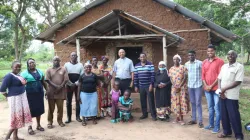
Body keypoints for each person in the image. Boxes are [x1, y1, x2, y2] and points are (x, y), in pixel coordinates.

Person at [0, 61, 32, 140]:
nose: (18, 68)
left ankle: (15, 137)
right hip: (15, 100)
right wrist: (8, 96)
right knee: (16, 118)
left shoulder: (18, 75)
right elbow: (2, 89)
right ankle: (7, 137)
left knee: (19, 117)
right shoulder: (9, 76)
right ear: (12, 67)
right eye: (16, 66)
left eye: (19, 67)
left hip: (21, 98)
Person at [217, 50, 244, 140]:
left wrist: (224, 89)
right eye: (228, 54)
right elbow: (219, 79)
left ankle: (239, 135)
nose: (230, 56)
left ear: (236, 56)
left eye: (232, 54)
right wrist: (220, 90)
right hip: (222, 95)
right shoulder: (224, 66)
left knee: (234, 115)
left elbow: (237, 81)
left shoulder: (239, 67)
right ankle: (226, 131)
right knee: (224, 115)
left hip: (232, 96)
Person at [21, 58, 48, 135]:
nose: (31, 64)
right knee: (30, 111)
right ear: (27, 65)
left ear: (35, 63)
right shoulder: (24, 73)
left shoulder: (40, 71)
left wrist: (47, 91)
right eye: (29, 63)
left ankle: (38, 125)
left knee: (39, 109)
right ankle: (29, 127)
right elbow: (21, 84)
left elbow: (44, 82)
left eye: (32, 62)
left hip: (39, 94)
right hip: (29, 95)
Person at [202, 44, 224, 133]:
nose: (210, 52)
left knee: (217, 108)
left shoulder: (220, 61)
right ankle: (211, 124)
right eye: (208, 51)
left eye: (211, 51)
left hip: (216, 89)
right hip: (207, 89)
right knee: (210, 107)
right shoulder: (204, 62)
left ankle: (217, 127)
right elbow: (202, 76)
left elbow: (220, 76)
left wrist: (211, 86)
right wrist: (206, 86)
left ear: (215, 51)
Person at [45, 56, 69, 129]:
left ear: (60, 61)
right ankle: (50, 122)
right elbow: (47, 80)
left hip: (60, 92)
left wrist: (60, 87)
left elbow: (66, 79)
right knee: (51, 108)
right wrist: (56, 86)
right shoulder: (49, 70)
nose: (56, 61)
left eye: (58, 60)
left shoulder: (63, 69)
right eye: (55, 60)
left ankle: (60, 121)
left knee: (60, 108)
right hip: (51, 92)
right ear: (52, 61)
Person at [134, 53, 157, 121]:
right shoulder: (137, 66)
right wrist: (136, 86)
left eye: (143, 57)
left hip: (148, 85)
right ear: (139, 58)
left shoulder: (150, 65)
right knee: (142, 100)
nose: (142, 58)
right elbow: (136, 77)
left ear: (146, 57)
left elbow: (152, 75)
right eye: (141, 57)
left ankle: (153, 115)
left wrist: (151, 85)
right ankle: (144, 114)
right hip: (141, 86)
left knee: (151, 100)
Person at [184, 50, 204, 128]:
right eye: (189, 55)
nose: (190, 57)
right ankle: (194, 119)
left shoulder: (199, 63)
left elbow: (203, 73)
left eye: (192, 55)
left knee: (198, 103)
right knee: (192, 102)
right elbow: (186, 75)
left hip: (198, 85)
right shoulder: (186, 64)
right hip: (190, 86)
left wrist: (203, 83)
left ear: (195, 55)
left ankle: (200, 121)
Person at [169, 54, 190, 125]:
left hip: (182, 88)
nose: (175, 60)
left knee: (182, 102)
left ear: (179, 60)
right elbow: (171, 78)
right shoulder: (171, 69)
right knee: (175, 102)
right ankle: (176, 118)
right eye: (174, 59)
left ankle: (182, 119)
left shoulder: (183, 67)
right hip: (174, 89)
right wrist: (175, 86)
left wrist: (180, 85)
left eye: (177, 59)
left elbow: (185, 77)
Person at [64, 52, 84, 123]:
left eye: (75, 55)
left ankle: (77, 117)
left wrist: (75, 84)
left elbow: (81, 76)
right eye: (72, 55)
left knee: (78, 100)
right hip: (68, 86)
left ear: (77, 56)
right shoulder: (66, 65)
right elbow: (65, 76)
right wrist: (70, 84)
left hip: (77, 86)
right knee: (68, 102)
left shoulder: (80, 65)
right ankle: (69, 118)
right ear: (70, 56)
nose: (73, 56)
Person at [78, 62, 99, 126]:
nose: (88, 68)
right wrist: (78, 96)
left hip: (93, 93)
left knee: (93, 106)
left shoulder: (94, 75)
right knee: (84, 106)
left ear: (91, 68)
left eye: (89, 67)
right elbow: (79, 86)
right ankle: (84, 120)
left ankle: (93, 118)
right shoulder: (82, 76)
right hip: (84, 94)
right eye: (87, 67)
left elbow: (98, 84)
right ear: (84, 68)